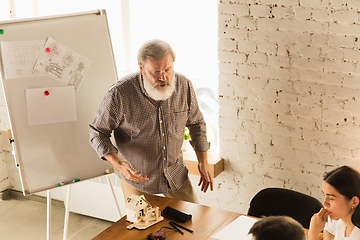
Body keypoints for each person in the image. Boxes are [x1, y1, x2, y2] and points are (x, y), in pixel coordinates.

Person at [89, 39, 213, 204]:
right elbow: (97, 132)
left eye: (168, 69)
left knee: (193, 222)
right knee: (141, 228)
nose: (164, 77)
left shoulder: (184, 86)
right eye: (156, 72)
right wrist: (119, 164)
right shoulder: (119, 93)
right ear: (141, 68)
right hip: (137, 178)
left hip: (174, 175)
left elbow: (196, 123)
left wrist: (202, 161)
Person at [308, 165, 360, 240]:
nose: (325, 203)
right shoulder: (340, 221)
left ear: (354, 202)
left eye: (331, 198)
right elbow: (328, 229)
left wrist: (313, 233)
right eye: (325, 195)